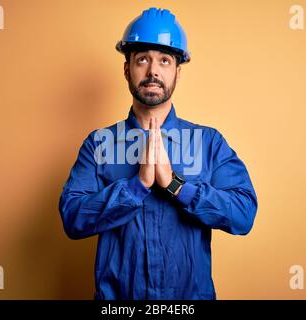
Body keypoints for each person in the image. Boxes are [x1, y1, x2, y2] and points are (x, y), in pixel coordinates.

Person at [58, 7, 258, 300]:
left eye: (164, 60)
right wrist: (135, 187)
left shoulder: (209, 143)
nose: (153, 71)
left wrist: (176, 186)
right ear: (127, 69)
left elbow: (243, 215)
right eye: (142, 60)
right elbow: (73, 218)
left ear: (177, 71)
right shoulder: (98, 145)